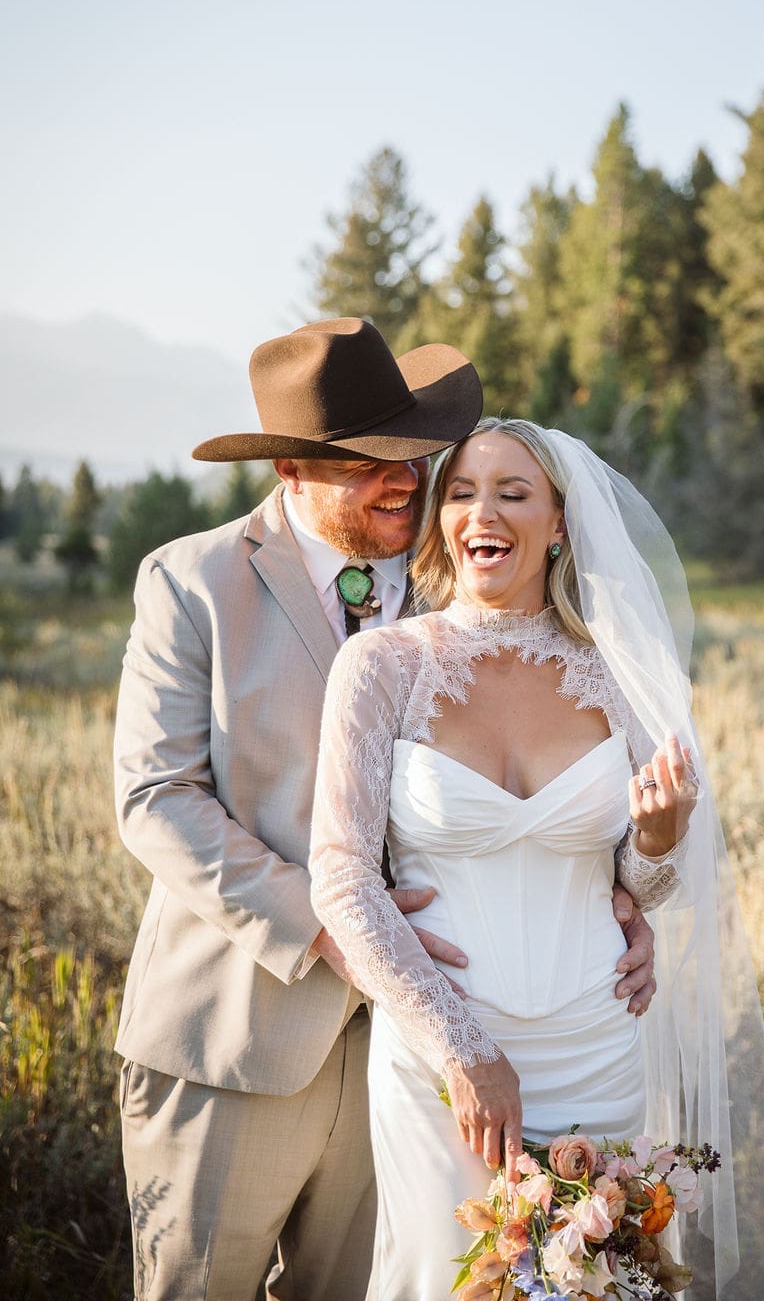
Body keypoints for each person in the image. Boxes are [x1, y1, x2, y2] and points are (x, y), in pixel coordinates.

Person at [112, 316, 661, 1301]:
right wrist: (328, 923)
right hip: (242, 1038)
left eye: (412, 455)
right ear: (290, 466)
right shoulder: (193, 583)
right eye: (369, 462)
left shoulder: (448, 584)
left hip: (406, 1057)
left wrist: (612, 891)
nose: (404, 479)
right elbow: (156, 801)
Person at [310, 417, 764, 1301]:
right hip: (442, 1054)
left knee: (598, 1280)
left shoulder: (619, 676)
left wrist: (659, 837)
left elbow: (639, 885)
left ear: (558, 525)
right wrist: (463, 1051)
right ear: (441, 520)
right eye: (463, 492)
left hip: (595, 1039)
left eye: (514, 493)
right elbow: (343, 880)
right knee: (442, 1277)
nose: (483, 511)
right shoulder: (380, 666)